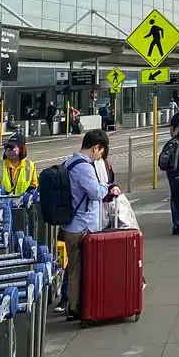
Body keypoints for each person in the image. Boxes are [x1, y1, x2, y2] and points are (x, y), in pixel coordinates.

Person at [55, 129, 120, 319]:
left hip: (71, 225)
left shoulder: (69, 161)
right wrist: (106, 187)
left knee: (75, 267)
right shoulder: (84, 167)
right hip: (81, 227)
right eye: (100, 152)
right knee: (78, 269)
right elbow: (95, 193)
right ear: (95, 147)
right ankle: (75, 308)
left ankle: (74, 305)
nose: (99, 157)